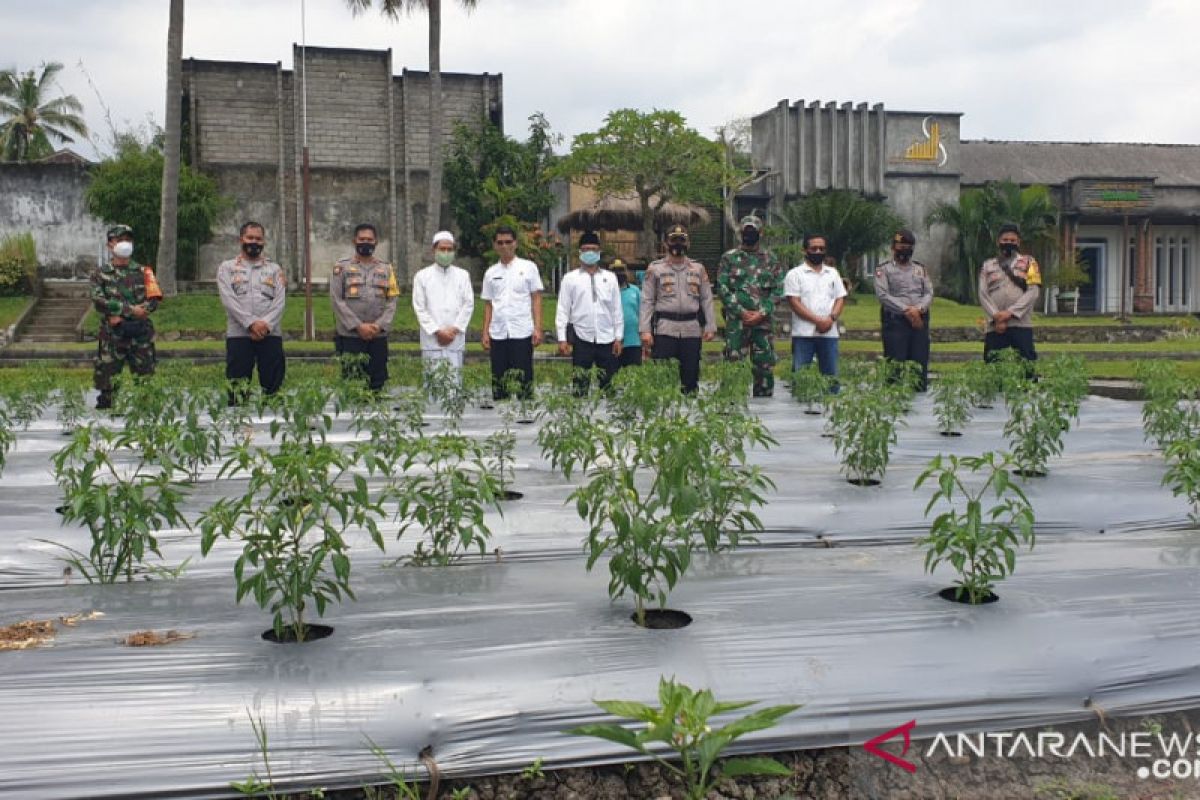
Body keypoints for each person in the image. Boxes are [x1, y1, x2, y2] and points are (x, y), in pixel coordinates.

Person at [89, 224, 163, 410]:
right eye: (120, 240)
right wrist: (129, 310)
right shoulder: (101, 274)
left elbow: (154, 298)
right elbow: (98, 300)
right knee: (107, 385)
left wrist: (141, 310)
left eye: (128, 240)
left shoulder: (144, 271)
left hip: (140, 335)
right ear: (110, 245)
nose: (125, 243)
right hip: (112, 335)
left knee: (145, 382)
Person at [639, 224, 716, 394]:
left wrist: (710, 326)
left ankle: (690, 415)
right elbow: (647, 301)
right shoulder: (655, 269)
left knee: (691, 375)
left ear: (688, 243)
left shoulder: (698, 268)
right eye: (674, 240)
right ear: (666, 243)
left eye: (682, 240)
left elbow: (706, 298)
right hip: (665, 328)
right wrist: (645, 330)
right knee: (662, 376)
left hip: (691, 328)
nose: (678, 244)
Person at [217, 221, 287, 403]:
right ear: (241, 239)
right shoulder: (227, 268)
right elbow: (228, 299)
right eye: (250, 238)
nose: (254, 242)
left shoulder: (274, 269)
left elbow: (279, 300)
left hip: (270, 334)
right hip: (239, 335)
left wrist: (266, 324)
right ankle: (239, 430)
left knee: (273, 390)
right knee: (237, 390)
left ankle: (274, 426)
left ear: (264, 242)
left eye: (258, 239)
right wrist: (250, 324)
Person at [716, 214, 785, 397]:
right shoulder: (729, 258)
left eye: (752, 231)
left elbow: (779, 290)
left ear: (760, 233)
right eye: (746, 231)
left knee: (765, 364)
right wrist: (741, 312)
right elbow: (722, 288)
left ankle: (764, 404)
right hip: (737, 323)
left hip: (763, 324)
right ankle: (731, 402)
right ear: (740, 232)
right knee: (733, 363)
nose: (749, 234)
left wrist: (762, 312)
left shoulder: (771, 260)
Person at [330, 223, 400, 393]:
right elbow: (336, 299)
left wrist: (379, 325)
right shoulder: (341, 268)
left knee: (378, 382)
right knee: (352, 382)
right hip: (351, 336)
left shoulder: (386, 269)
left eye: (369, 239)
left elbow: (392, 300)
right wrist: (358, 326)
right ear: (354, 241)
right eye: (362, 239)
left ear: (376, 242)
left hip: (378, 336)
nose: (366, 243)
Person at [481, 225, 544, 400]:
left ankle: (526, 418)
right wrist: (485, 332)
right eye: (500, 242)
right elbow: (488, 304)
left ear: (515, 243)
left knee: (524, 380)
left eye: (508, 242)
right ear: (495, 245)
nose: (504, 246)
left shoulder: (528, 267)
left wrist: (538, 328)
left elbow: (536, 298)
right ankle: (501, 419)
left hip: (522, 331)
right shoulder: (491, 272)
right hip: (499, 332)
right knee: (499, 382)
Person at [556, 231, 623, 395]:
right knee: (580, 385)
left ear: (599, 251)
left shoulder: (610, 277)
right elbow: (563, 309)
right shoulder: (570, 278)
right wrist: (562, 339)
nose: (590, 253)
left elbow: (616, 309)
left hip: (607, 337)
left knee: (608, 386)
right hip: (581, 337)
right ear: (580, 252)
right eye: (586, 249)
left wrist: (618, 338)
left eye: (593, 249)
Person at [875, 228, 933, 391]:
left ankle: (920, 400)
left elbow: (929, 292)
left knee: (919, 363)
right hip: (896, 322)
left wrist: (919, 309)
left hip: (919, 321)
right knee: (895, 364)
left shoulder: (920, 269)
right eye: (901, 245)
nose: (904, 249)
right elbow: (883, 295)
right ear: (893, 247)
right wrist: (908, 310)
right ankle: (894, 398)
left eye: (908, 246)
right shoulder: (884, 270)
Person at [784, 233, 847, 383]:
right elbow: (794, 302)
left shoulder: (832, 273)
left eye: (822, 249)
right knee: (801, 378)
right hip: (804, 333)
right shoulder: (794, 274)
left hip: (829, 333)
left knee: (831, 379)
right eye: (814, 248)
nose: (818, 252)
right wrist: (818, 321)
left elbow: (840, 298)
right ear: (805, 251)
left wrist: (831, 318)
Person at [412, 230, 474, 380]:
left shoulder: (463, 275)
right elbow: (420, 308)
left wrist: (454, 330)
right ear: (434, 249)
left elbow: (468, 304)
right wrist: (437, 331)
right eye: (442, 249)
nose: (446, 253)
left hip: (455, 339)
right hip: (432, 340)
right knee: (432, 381)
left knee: (454, 380)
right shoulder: (422, 276)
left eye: (449, 249)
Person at [979, 223, 1042, 364]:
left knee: (1026, 365)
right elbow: (983, 293)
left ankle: (1026, 387)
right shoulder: (988, 265)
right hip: (994, 325)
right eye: (1005, 240)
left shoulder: (1029, 263)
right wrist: (996, 316)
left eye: (1013, 241)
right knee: (992, 364)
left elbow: (1033, 291)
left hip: (1021, 323)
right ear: (998, 242)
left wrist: (1010, 313)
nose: (1009, 243)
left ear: (1018, 242)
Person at [614, 258, 643, 368]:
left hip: (633, 341)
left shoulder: (635, 291)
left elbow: (642, 313)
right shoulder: (605, 291)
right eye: (615, 271)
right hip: (612, 342)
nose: (619, 274)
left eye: (621, 270)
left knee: (634, 377)